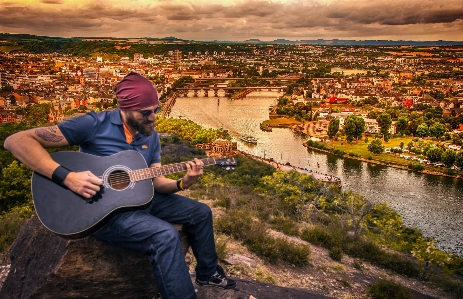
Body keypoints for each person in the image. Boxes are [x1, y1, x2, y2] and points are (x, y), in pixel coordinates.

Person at [4, 72, 235, 299]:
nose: (153, 117)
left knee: (201, 212)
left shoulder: (150, 134)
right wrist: (67, 177)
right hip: (103, 210)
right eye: (145, 112)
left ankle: (208, 273)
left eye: (156, 110)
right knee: (165, 236)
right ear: (125, 108)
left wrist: (182, 183)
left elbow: (155, 180)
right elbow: (16, 141)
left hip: (142, 199)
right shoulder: (92, 124)